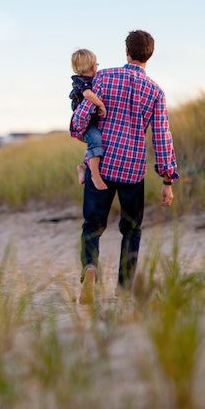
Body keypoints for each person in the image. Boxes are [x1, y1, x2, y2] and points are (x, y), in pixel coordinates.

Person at [70, 30, 178, 304]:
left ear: (126, 52)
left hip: (102, 165)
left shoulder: (104, 77)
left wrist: (81, 130)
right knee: (131, 229)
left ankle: (90, 268)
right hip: (132, 171)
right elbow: (162, 137)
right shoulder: (155, 91)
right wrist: (167, 181)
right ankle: (125, 288)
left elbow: (80, 119)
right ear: (149, 55)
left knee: (92, 227)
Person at [69, 49, 108, 190]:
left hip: (90, 121)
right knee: (96, 139)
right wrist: (100, 104)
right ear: (93, 67)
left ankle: (83, 167)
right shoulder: (82, 82)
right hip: (84, 123)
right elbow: (87, 94)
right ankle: (95, 175)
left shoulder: (91, 80)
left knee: (95, 143)